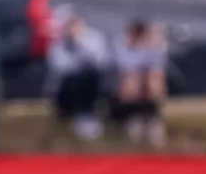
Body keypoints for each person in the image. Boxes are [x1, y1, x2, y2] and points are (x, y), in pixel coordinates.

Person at [47, 10, 111, 140]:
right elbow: (59, 67)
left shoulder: (95, 38)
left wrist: (79, 44)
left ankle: (89, 116)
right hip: (68, 85)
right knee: (75, 79)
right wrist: (72, 47)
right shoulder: (58, 44)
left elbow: (100, 61)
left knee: (89, 77)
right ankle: (77, 116)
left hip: (92, 82)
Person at [110, 17, 167, 146]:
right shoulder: (122, 49)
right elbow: (124, 71)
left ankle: (149, 118)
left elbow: (157, 70)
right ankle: (136, 117)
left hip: (146, 93)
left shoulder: (153, 50)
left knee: (152, 77)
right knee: (132, 77)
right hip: (126, 92)